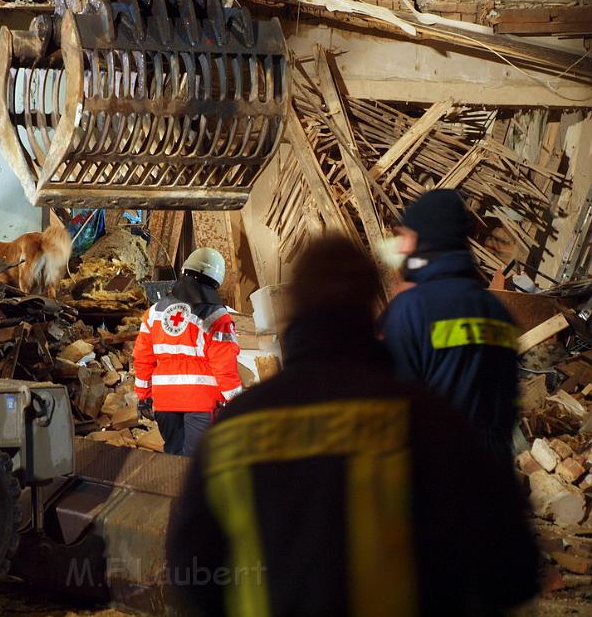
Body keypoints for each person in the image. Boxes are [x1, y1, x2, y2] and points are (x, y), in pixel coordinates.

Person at [167, 236, 538, 616]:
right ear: (370, 308)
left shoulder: (234, 430)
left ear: (292, 309)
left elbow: (189, 572)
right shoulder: (428, 422)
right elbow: (510, 567)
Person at [379, 188, 519, 458]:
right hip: (492, 479)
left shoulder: (411, 310)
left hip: (434, 480)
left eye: (408, 236)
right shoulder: (497, 312)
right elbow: (507, 411)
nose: (403, 247)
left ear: (428, 240)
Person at [133, 247, 242, 457]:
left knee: (173, 457)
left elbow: (143, 359)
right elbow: (224, 366)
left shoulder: (154, 313)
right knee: (195, 462)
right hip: (201, 402)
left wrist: (143, 397)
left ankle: (171, 490)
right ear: (215, 282)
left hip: (165, 400)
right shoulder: (218, 317)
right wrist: (237, 401)